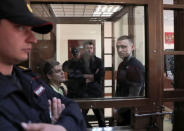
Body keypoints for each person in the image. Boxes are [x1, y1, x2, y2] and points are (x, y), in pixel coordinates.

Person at [0, 0, 86, 130]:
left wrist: (61, 127)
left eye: (31, 30)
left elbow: (71, 105)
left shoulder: (27, 78)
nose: (33, 39)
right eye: (21, 27)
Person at [115, 35, 145, 125]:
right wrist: (115, 108)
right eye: (117, 47)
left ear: (132, 47)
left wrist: (118, 112)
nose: (119, 50)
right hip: (121, 108)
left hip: (130, 112)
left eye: (123, 47)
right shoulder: (122, 64)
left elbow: (133, 97)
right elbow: (119, 89)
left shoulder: (135, 67)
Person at [80, 41, 106, 127]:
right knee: (81, 116)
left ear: (93, 49)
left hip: (96, 92)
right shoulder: (80, 61)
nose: (89, 50)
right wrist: (93, 75)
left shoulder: (99, 61)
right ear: (84, 49)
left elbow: (101, 75)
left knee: (101, 117)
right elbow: (76, 76)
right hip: (84, 92)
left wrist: (87, 76)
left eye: (91, 48)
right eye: (87, 48)